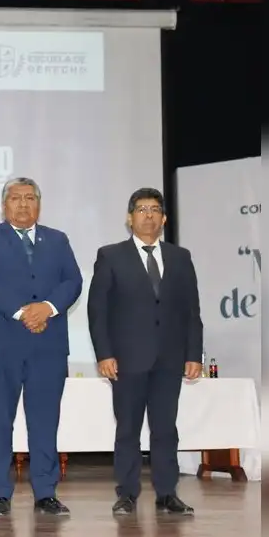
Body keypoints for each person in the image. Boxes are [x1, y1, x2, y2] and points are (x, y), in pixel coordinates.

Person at [0, 177, 82, 517]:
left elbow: (72, 281)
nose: (22, 204)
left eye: (29, 198)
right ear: (4, 205)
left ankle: (45, 492)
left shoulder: (58, 240)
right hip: (1, 345)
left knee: (45, 422)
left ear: (39, 205)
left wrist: (46, 308)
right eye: (15, 198)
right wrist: (21, 312)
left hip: (48, 346)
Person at [87, 187, 202, 516]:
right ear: (129, 218)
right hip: (126, 359)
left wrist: (194, 354)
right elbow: (99, 311)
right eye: (141, 209)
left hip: (169, 358)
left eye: (154, 209)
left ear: (163, 218)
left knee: (166, 429)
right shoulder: (110, 256)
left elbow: (191, 311)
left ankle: (167, 493)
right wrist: (104, 354)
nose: (148, 215)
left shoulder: (181, 258)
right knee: (128, 430)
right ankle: (127, 493)